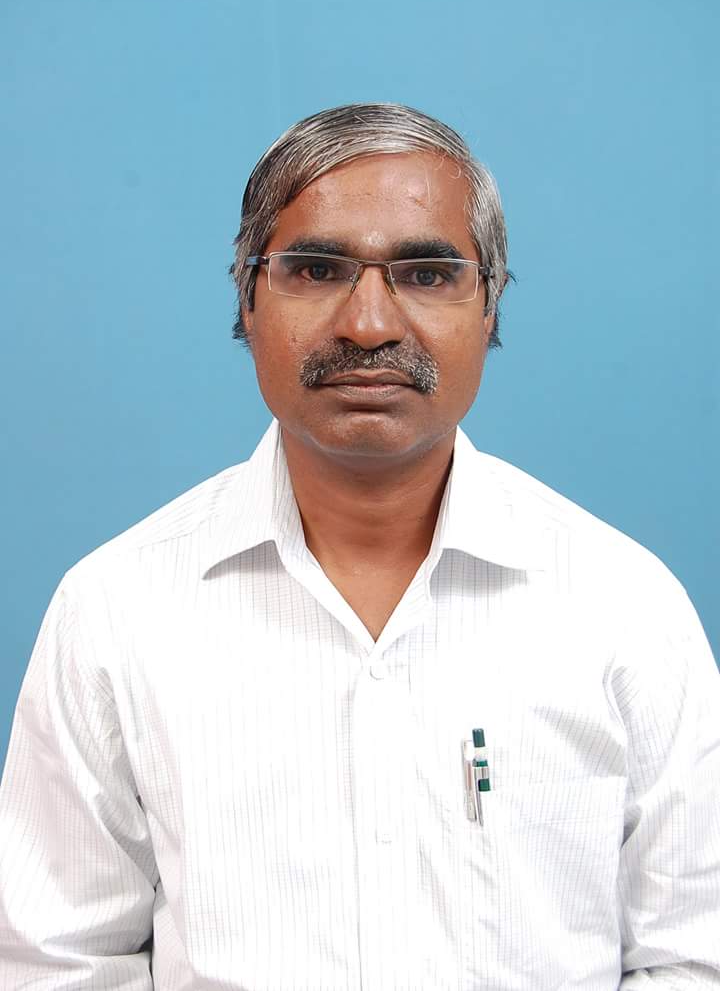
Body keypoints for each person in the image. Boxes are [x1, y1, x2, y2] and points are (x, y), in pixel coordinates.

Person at [0, 103, 718, 990]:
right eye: (316, 269)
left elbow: (695, 956)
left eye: (427, 273)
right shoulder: (116, 610)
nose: (369, 324)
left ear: (490, 303)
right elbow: (58, 965)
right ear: (247, 297)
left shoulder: (625, 609)